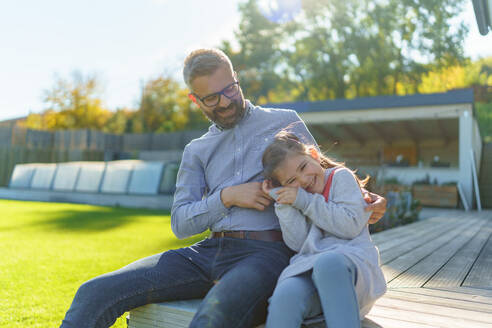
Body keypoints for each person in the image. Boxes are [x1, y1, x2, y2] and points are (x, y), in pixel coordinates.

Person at [59, 48, 387, 328]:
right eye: (212, 98)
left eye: (230, 89)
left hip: (267, 254)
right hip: (206, 253)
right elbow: (180, 222)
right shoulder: (196, 150)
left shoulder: (284, 120)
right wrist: (226, 198)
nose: (226, 102)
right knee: (94, 292)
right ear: (195, 100)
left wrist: (364, 197)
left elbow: (321, 173)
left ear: (236, 78)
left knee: (210, 319)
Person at [261, 132, 387, 328]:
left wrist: (305, 201)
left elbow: (350, 226)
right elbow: (299, 243)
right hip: (311, 271)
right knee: (286, 293)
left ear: (313, 155)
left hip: (352, 272)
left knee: (327, 263)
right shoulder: (297, 197)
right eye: (291, 181)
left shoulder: (339, 178)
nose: (302, 181)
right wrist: (283, 202)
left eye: (303, 167)